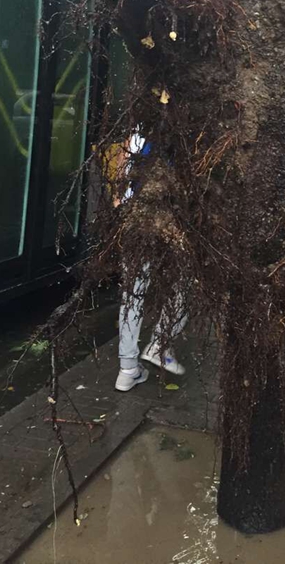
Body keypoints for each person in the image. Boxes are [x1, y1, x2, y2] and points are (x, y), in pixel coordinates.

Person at [114, 132, 188, 392]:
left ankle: (127, 369)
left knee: (132, 295)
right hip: (172, 226)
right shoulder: (190, 131)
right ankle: (160, 346)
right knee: (183, 286)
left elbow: (120, 179)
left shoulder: (139, 129)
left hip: (137, 223)